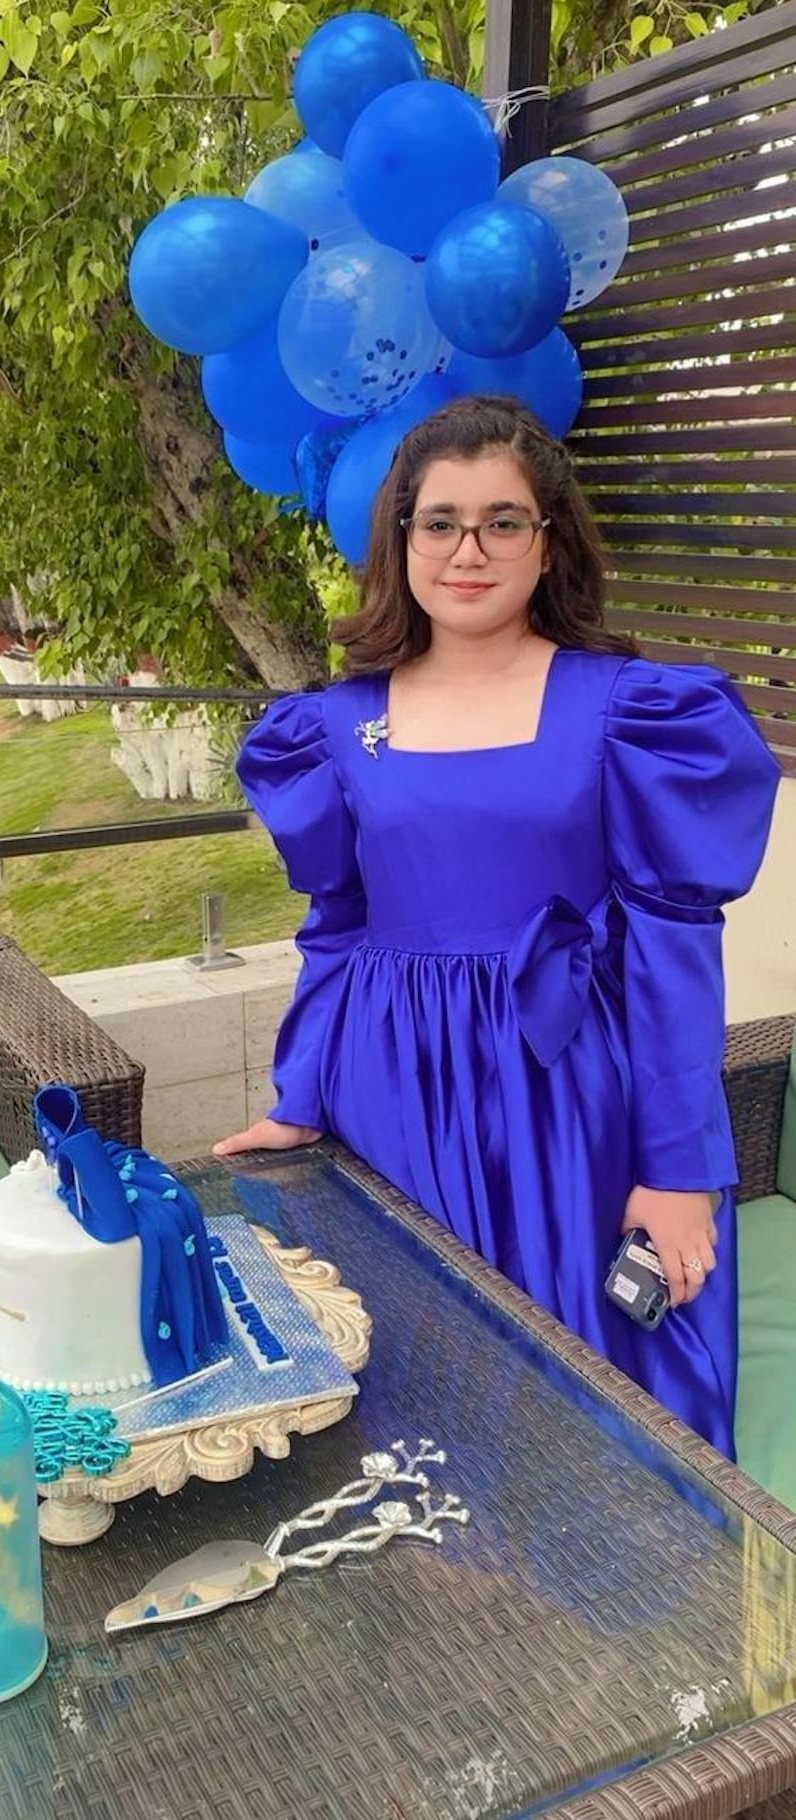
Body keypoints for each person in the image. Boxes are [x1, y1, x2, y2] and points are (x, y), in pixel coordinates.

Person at [213, 394, 780, 1457]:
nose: (467, 550)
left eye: (501, 521)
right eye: (440, 521)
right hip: (393, 1089)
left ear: (546, 541)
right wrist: (300, 1095)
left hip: (566, 1090)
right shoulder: (334, 726)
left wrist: (678, 1168)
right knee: (416, 1377)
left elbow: (671, 952)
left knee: (587, 1388)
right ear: (401, 538)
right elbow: (336, 929)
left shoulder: (629, 711)